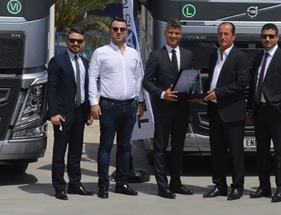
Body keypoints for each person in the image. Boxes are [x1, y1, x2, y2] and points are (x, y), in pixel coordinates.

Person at [88, 18, 144, 199]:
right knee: (105, 147)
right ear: (110, 31)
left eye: (122, 29)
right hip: (108, 105)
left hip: (129, 106)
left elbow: (138, 78)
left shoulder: (133, 54)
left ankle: (121, 183)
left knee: (125, 147)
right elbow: (92, 77)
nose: (118, 32)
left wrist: (140, 100)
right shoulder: (100, 52)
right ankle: (103, 185)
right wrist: (93, 103)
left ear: (126, 32)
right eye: (115, 29)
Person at [143, 19, 195, 199]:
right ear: (165, 34)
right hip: (163, 109)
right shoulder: (156, 55)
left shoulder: (188, 55)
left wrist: (194, 92)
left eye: (177, 33)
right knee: (160, 148)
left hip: (182, 109)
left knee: (179, 148)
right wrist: (162, 94)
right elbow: (147, 82)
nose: (174, 36)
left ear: (181, 35)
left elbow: (190, 79)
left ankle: (176, 182)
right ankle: (162, 186)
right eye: (171, 33)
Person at [246, 23, 281, 203]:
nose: (267, 39)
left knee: (280, 152)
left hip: (276, 112)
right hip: (259, 111)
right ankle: (264, 186)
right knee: (262, 151)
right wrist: (250, 108)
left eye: (271, 36)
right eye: (264, 36)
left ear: (277, 38)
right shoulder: (258, 57)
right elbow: (253, 84)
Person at [202, 21, 250, 201]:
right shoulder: (213, 56)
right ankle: (219, 185)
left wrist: (218, 93)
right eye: (220, 33)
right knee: (217, 151)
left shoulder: (241, 57)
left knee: (236, 153)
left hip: (232, 112)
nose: (222, 37)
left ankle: (237, 186)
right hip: (214, 111)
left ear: (233, 36)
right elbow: (212, 81)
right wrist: (201, 93)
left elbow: (242, 82)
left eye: (226, 33)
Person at [47, 28, 93, 200]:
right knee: (60, 152)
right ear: (67, 41)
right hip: (63, 114)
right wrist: (54, 113)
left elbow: (86, 88)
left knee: (76, 151)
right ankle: (59, 186)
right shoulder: (57, 61)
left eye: (79, 41)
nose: (76, 43)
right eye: (72, 40)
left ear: (83, 43)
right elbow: (51, 88)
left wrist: (89, 110)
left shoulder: (85, 62)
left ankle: (75, 184)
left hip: (80, 112)